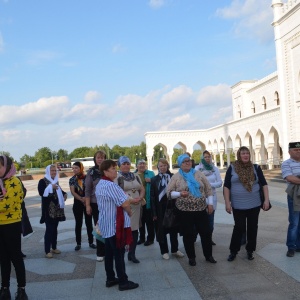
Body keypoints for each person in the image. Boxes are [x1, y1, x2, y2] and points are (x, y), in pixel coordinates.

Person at [95, 159, 139, 291]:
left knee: (109, 253)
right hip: (115, 226)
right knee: (119, 253)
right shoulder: (110, 185)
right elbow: (124, 203)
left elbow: (123, 197)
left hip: (106, 224)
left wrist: (131, 200)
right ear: (105, 171)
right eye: (113, 169)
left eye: (115, 168)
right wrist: (130, 212)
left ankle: (110, 278)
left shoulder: (101, 184)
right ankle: (123, 281)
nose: (116, 171)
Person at [167, 153, 217, 266]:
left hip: (200, 209)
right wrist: (179, 194)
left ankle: (208, 255)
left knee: (206, 233)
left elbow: (208, 189)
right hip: (184, 211)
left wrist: (210, 204)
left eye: (189, 160)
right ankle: (191, 257)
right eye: (184, 161)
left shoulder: (198, 174)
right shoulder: (176, 177)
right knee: (188, 235)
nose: (188, 163)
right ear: (180, 164)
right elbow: (168, 193)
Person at [223, 146, 270, 262]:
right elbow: (227, 186)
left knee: (253, 227)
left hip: (254, 204)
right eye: (243, 153)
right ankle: (233, 251)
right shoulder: (232, 168)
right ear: (239, 155)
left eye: (247, 153)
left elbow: (263, 184)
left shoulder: (255, 167)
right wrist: (227, 203)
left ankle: (250, 250)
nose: (245, 155)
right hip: (238, 205)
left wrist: (266, 200)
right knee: (239, 227)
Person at [0, 155, 28, 300]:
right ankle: (4, 288)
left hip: (11, 224)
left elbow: (7, 205)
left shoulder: (14, 181)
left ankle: (21, 289)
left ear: (7, 167)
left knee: (16, 257)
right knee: (3, 258)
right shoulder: (0, 182)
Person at [150, 158, 184, 260]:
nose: (163, 167)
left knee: (174, 229)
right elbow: (152, 197)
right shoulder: (154, 179)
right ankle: (164, 251)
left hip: (172, 206)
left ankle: (175, 249)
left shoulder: (173, 177)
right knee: (162, 230)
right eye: (160, 166)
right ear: (158, 167)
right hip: (160, 208)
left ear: (167, 166)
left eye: (164, 165)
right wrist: (154, 213)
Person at [116, 156, 145, 263]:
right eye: (123, 164)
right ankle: (122, 252)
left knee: (135, 230)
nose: (126, 165)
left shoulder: (135, 175)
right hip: (125, 207)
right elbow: (118, 193)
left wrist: (141, 197)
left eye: (128, 163)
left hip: (137, 207)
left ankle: (132, 254)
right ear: (119, 165)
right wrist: (131, 200)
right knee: (125, 230)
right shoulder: (117, 177)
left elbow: (142, 188)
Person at [38, 164, 67, 259]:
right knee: (49, 230)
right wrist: (51, 187)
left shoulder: (55, 181)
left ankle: (54, 247)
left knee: (55, 230)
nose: (54, 172)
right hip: (48, 210)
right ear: (48, 172)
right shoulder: (42, 181)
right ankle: (47, 250)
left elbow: (60, 191)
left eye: (55, 170)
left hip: (57, 210)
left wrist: (65, 194)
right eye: (52, 171)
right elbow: (42, 193)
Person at [195, 150, 222, 245]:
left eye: (208, 157)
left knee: (210, 221)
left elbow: (220, 183)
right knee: (200, 220)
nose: (207, 158)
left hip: (212, 197)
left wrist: (209, 185)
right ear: (202, 158)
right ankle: (199, 237)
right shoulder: (197, 169)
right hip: (200, 197)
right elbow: (195, 182)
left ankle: (209, 239)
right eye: (205, 157)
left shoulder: (215, 169)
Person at [69, 161, 96, 251]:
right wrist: (81, 199)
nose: (74, 170)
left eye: (76, 168)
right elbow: (73, 192)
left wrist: (86, 199)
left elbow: (91, 189)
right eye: (73, 168)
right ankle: (78, 243)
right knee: (78, 223)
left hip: (88, 203)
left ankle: (91, 242)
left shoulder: (87, 178)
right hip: (78, 204)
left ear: (81, 168)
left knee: (89, 223)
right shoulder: (72, 179)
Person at [85, 150, 106, 261]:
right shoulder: (91, 173)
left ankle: (108, 251)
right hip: (96, 204)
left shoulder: (108, 170)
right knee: (99, 227)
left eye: (102, 157)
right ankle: (100, 252)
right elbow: (87, 190)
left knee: (109, 227)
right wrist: (88, 205)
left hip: (108, 204)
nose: (100, 159)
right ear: (95, 159)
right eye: (98, 157)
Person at [281, 142, 300, 257]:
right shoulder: (286, 163)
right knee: (294, 222)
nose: (298, 151)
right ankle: (291, 247)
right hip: (294, 196)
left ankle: (298, 245)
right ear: (289, 152)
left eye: (299, 150)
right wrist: (296, 178)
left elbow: (295, 178)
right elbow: (290, 178)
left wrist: (297, 177)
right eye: (295, 150)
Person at [135, 159, 155, 246]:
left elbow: (156, 183)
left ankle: (150, 239)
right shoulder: (133, 175)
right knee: (140, 221)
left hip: (148, 201)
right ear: (137, 166)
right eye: (140, 164)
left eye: (143, 164)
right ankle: (142, 238)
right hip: (138, 201)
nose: (142, 165)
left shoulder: (151, 173)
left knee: (149, 222)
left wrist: (151, 180)